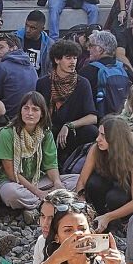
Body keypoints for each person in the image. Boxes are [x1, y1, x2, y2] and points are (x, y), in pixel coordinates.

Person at [74, 114, 133, 234]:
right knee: (93, 184)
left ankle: (117, 224)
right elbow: (82, 181)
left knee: (115, 197)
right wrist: (81, 204)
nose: (98, 139)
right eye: (99, 134)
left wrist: (108, 217)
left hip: (125, 197)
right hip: (105, 190)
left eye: (103, 135)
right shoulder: (96, 149)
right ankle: (98, 218)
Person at [0, 88, 59, 211]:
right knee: (10, 193)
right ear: (20, 111)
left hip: (38, 179)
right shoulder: (7, 134)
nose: (30, 113)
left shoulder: (46, 134)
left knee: (75, 180)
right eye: (26, 108)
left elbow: (51, 164)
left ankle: (44, 203)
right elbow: (12, 173)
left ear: (42, 113)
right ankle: (47, 205)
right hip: (15, 183)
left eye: (35, 109)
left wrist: (58, 183)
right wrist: (38, 192)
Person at [39, 38, 99, 168]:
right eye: (68, 58)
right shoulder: (43, 83)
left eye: (75, 58)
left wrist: (69, 125)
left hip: (73, 133)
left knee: (91, 131)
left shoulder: (82, 83)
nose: (73, 62)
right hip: (50, 132)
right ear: (57, 60)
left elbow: (93, 117)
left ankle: (77, 164)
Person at [0, 30, 39, 119]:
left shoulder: (2, 67)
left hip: (8, 119)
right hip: (30, 117)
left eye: (0, 47)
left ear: (13, 48)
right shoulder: (30, 65)